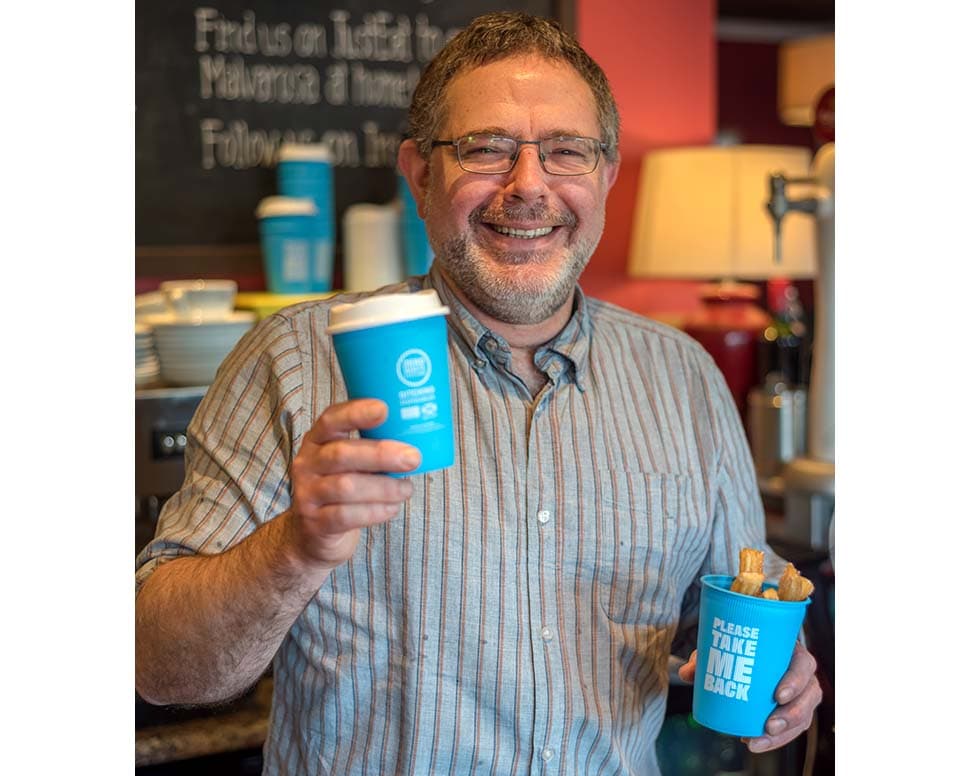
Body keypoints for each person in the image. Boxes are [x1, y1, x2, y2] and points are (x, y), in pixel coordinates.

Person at [135, 12, 822, 775]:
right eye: (486, 148)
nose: (529, 187)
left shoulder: (684, 378)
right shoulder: (295, 361)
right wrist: (295, 548)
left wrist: (781, 670)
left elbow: (728, 613)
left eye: (566, 151)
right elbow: (162, 669)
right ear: (421, 174)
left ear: (605, 175)